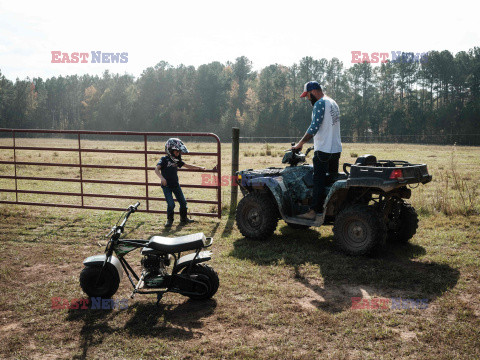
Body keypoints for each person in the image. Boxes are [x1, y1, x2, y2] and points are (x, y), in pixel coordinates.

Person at [292, 81, 342, 219]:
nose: (308, 99)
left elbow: (314, 127)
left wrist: (300, 144)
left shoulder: (320, 103)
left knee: (318, 180)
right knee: (332, 180)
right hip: (336, 148)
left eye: (308, 95)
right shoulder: (333, 103)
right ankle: (333, 210)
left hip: (324, 150)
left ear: (313, 91)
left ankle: (313, 211)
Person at [154, 138, 206, 227]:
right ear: (170, 150)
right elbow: (156, 169)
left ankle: (183, 218)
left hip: (175, 185)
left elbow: (187, 165)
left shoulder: (177, 161)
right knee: (171, 204)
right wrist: (162, 178)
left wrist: (199, 168)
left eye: (179, 152)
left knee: (183, 202)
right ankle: (169, 220)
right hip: (166, 186)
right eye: (176, 151)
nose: (178, 153)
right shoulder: (164, 159)